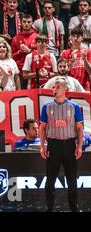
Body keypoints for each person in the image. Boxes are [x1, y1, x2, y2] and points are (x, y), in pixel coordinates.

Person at [39, 78, 83, 212]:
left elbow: (80, 128)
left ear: (65, 89)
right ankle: (49, 208)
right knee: (50, 180)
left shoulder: (74, 106)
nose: (54, 89)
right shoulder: (46, 106)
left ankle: (74, 208)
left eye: (57, 87)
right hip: (53, 145)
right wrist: (42, 145)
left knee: (72, 179)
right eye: (53, 87)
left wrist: (79, 146)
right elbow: (42, 128)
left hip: (69, 144)